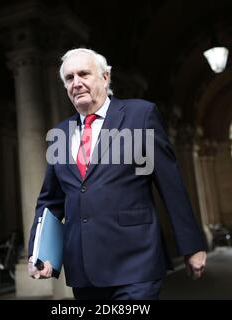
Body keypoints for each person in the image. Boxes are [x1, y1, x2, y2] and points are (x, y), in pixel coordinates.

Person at [27, 48, 207, 300]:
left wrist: (192, 244)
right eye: (69, 78)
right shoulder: (60, 133)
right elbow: (51, 201)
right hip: (84, 269)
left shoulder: (140, 115)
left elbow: (170, 184)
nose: (76, 83)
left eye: (84, 74)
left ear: (105, 77)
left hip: (136, 262)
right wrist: (41, 254)